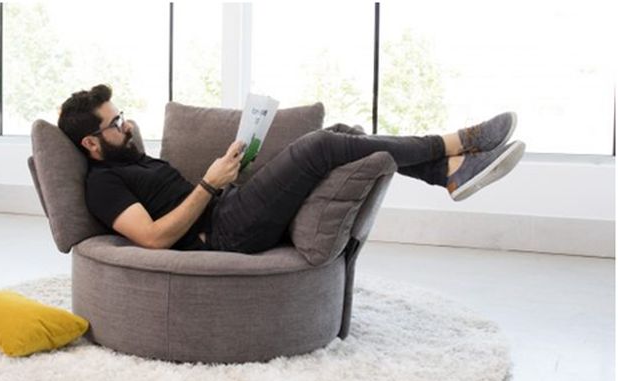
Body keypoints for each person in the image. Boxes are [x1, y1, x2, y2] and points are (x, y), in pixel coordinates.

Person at [58, 84, 525, 254]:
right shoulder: (103, 184)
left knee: (344, 130)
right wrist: (208, 183)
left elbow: (185, 198)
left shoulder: (131, 156)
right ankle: (459, 143)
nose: (127, 123)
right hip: (224, 236)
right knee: (321, 145)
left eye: (122, 116)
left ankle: (443, 172)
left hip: (229, 207)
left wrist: (231, 175)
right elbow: (155, 238)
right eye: (115, 123)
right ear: (91, 143)